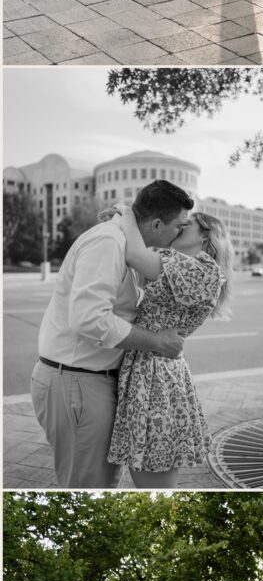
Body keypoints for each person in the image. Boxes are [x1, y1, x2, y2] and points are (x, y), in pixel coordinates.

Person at [30, 181, 193, 488]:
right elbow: (90, 319)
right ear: (157, 224)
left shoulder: (125, 243)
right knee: (90, 485)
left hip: (87, 381)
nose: (179, 235)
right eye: (179, 227)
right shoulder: (108, 242)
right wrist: (157, 341)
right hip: (78, 382)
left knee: (104, 482)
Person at [107, 198, 233, 488]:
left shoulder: (202, 270)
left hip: (156, 379)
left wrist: (127, 212)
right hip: (152, 372)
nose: (178, 229)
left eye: (186, 226)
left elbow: (134, 253)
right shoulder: (184, 265)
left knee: (153, 474)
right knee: (146, 470)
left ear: (205, 235)